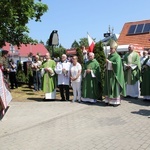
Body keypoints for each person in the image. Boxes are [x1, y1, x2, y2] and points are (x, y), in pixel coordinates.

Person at [104, 40, 126, 106]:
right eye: (110, 48)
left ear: (115, 49)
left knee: (114, 87)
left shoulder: (117, 56)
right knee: (109, 87)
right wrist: (106, 64)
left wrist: (109, 62)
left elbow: (117, 65)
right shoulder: (109, 56)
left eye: (112, 48)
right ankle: (109, 100)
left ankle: (115, 102)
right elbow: (106, 64)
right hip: (109, 74)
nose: (110, 50)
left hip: (114, 75)